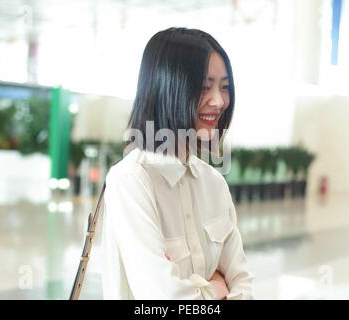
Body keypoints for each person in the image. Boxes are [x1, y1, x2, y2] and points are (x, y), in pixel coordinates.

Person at [102, 27, 254, 300]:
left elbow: (243, 282)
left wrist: (199, 290)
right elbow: (163, 298)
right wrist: (217, 287)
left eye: (224, 87)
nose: (219, 101)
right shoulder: (131, 180)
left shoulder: (214, 182)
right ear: (167, 87)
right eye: (204, 87)